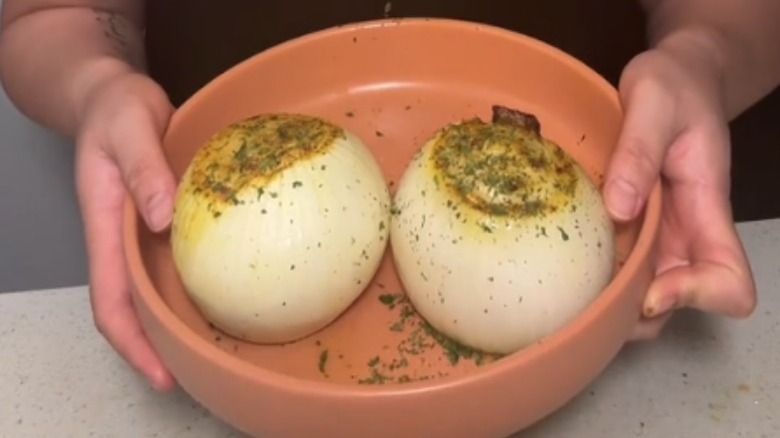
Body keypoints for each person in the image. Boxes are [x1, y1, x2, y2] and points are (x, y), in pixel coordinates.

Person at [0, 0, 778, 393]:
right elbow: (49, 13)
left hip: (599, 192)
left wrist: (704, 56)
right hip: (220, 181)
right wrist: (92, 82)